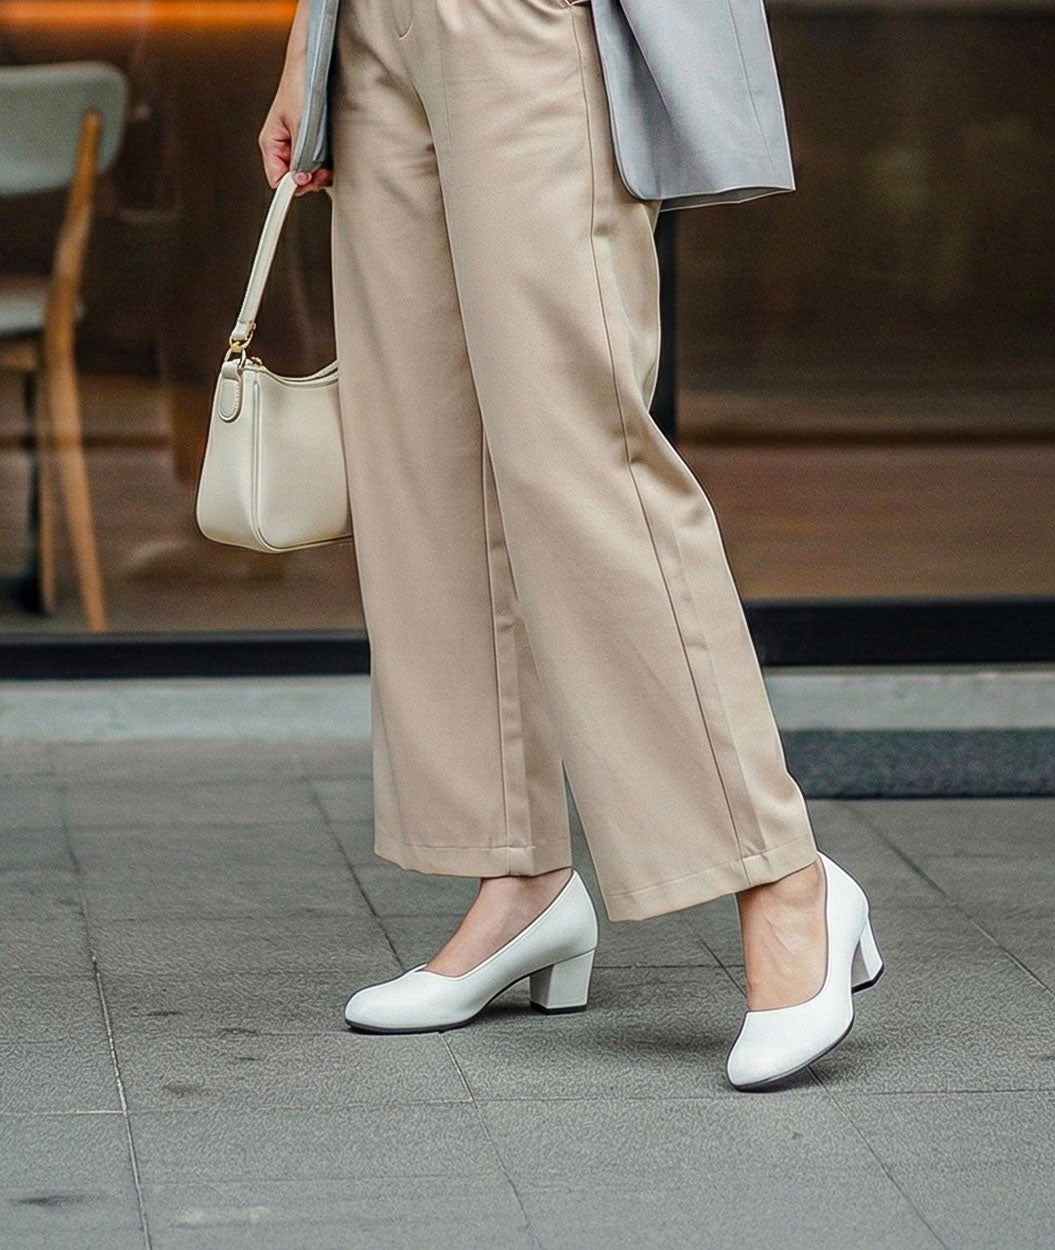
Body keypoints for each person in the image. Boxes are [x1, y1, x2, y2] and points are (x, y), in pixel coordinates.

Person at [258, 0, 882, 1090]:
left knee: (580, 454)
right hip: (371, 29)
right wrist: (311, 35)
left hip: (524, 23)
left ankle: (784, 877)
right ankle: (520, 880)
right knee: (426, 465)